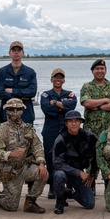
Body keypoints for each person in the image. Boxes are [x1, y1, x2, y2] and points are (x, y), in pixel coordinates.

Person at [0, 98, 49, 213]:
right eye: (11, 109)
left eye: (18, 109)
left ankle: (30, 202)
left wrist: (41, 163)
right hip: (10, 170)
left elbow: (37, 147)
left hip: (25, 167)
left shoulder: (28, 129)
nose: (14, 112)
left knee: (43, 174)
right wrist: (11, 154)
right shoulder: (1, 130)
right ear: (6, 111)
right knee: (11, 207)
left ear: (23, 110)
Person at [51, 110, 98, 215]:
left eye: (76, 121)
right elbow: (57, 163)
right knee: (59, 174)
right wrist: (79, 172)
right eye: (70, 121)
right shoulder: (61, 139)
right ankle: (60, 201)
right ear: (66, 123)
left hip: (79, 174)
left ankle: (69, 192)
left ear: (81, 122)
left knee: (89, 204)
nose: (73, 123)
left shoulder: (88, 137)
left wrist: (92, 175)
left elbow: (96, 157)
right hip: (65, 172)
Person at [39, 68, 77, 198]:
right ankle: (52, 187)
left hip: (67, 132)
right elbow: (47, 109)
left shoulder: (70, 94)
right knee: (50, 158)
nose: (58, 80)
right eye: (56, 77)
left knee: (69, 157)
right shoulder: (45, 94)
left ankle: (70, 186)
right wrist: (62, 107)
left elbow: (72, 107)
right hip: (50, 131)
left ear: (64, 80)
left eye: (60, 77)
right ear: (51, 79)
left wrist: (55, 103)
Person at [0, 41, 38, 123]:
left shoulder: (30, 72)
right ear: (9, 53)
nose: (16, 52)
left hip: (26, 116)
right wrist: (22, 96)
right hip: (6, 116)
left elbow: (32, 92)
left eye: (19, 50)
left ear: (23, 53)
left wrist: (12, 91)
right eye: (14, 50)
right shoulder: (2, 72)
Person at [80, 59, 110, 137]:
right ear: (92, 71)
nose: (100, 71)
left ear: (105, 71)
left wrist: (99, 107)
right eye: (97, 69)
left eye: (102, 68)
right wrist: (105, 100)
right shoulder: (87, 87)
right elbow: (87, 103)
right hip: (91, 130)